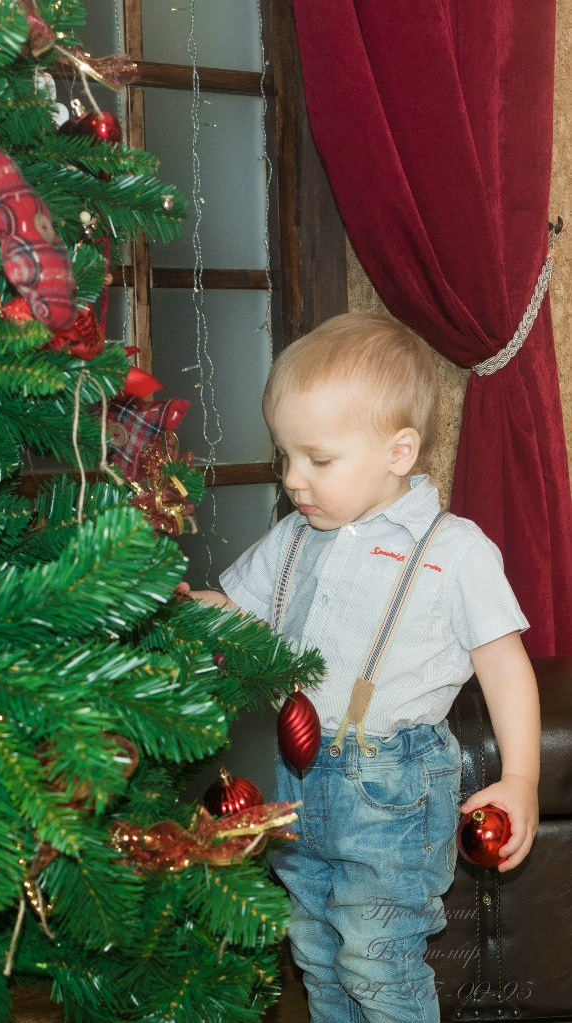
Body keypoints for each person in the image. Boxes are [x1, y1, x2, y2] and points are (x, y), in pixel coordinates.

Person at [182, 311, 540, 1023]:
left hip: (393, 789)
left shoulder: (455, 549)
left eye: (317, 459)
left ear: (399, 450)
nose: (292, 479)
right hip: (299, 776)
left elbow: (505, 668)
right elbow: (241, 615)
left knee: (376, 958)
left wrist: (520, 777)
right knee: (314, 948)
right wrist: (185, 608)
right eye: (286, 456)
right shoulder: (290, 538)